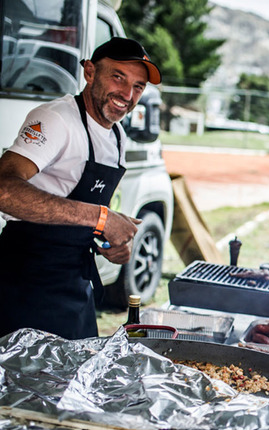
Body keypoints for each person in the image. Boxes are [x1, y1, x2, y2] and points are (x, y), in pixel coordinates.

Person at [0, 37, 162, 340]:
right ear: (89, 72)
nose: (128, 95)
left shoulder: (117, 135)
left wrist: (109, 239)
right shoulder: (55, 119)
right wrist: (101, 218)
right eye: (118, 77)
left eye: (138, 87)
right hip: (26, 282)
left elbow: (75, 205)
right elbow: (4, 190)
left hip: (76, 282)